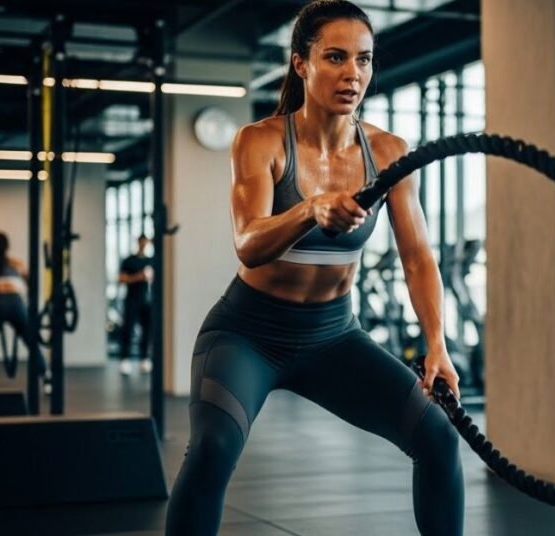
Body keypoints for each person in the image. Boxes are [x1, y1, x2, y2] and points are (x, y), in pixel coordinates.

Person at [165, 2, 464, 535]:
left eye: (365, 60)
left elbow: (418, 258)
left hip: (333, 338)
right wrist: (308, 208)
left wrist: (436, 345)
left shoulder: (389, 152)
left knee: (438, 437)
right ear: (301, 63)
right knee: (211, 448)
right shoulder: (259, 141)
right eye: (336, 57)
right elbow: (248, 243)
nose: (354, 73)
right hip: (247, 334)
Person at [0, 232, 48, 386]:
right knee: (32, 342)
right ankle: (46, 376)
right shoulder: (18, 264)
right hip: (16, 304)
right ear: (8, 246)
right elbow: (32, 286)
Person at [117, 234, 153, 375]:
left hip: (147, 300)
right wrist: (139, 276)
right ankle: (124, 360)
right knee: (128, 329)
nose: (144, 245)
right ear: (138, 243)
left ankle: (144, 359)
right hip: (132, 300)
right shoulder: (129, 261)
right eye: (142, 242)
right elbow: (122, 278)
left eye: (146, 242)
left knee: (147, 330)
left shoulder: (151, 260)